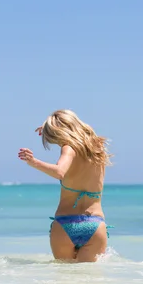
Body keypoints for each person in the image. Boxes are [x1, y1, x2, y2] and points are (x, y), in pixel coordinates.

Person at [18, 109, 113, 262]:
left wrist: (33, 162)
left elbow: (59, 172)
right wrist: (50, 129)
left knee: (65, 279)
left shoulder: (68, 148)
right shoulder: (97, 147)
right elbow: (81, 132)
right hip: (95, 224)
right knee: (90, 280)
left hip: (65, 224)